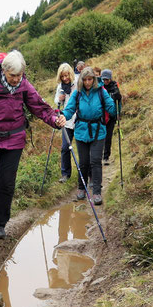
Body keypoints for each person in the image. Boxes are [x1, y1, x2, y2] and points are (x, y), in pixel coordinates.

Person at [0, 50, 66, 241]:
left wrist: (55, 119)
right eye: (13, 76)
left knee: (6, 182)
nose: (16, 79)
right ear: (4, 71)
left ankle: (0, 224)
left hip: (14, 139)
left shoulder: (24, 85)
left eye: (19, 75)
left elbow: (40, 107)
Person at [61, 67, 116, 205]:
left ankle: (97, 192)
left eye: (90, 79)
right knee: (83, 162)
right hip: (81, 131)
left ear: (94, 79)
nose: (87, 82)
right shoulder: (77, 93)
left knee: (95, 161)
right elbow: (69, 109)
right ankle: (81, 188)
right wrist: (63, 116)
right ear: (81, 80)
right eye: (84, 79)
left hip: (98, 131)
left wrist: (116, 101)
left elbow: (112, 108)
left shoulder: (101, 92)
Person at [54, 63, 77, 184]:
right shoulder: (60, 86)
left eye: (66, 75)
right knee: (65, 148)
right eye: (62, 76)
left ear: (70, 74)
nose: (65, 78)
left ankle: (87, 173)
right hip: (66, 121)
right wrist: (59, 99)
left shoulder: (77, 83)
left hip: (79, 120)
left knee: (83, 147)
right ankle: (65, 174)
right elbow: (56, 100)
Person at [100, 69, 122, 166]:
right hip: (100, 116)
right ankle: (98, 156)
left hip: (111, 116)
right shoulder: (99, 87)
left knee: (108, 137)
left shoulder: (114, 86)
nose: (105, 81)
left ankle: (106, 157)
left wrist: (118, 113)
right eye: (104, 79)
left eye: (107, 79)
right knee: (100, 137)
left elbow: (119, 102)